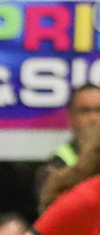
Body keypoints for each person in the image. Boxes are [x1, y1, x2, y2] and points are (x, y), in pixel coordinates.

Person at [38, 83, 100, 213]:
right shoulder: (55, 166)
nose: (94, 118)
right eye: (85, 111)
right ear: (71, 117)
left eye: (99, 110)